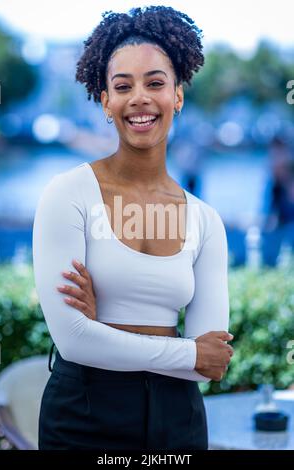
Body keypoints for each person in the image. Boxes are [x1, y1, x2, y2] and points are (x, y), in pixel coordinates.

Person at [32, 6, 233, 451]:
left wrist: (107, 330)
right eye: (123, 86)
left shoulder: (205, 221)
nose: (139, 97)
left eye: (156, 83)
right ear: (105, 101)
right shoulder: (67, 194)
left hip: (177, 419)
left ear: (177, 95)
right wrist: (187, 351)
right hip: (82, 415)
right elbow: (74, 340)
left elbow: (211, 363)